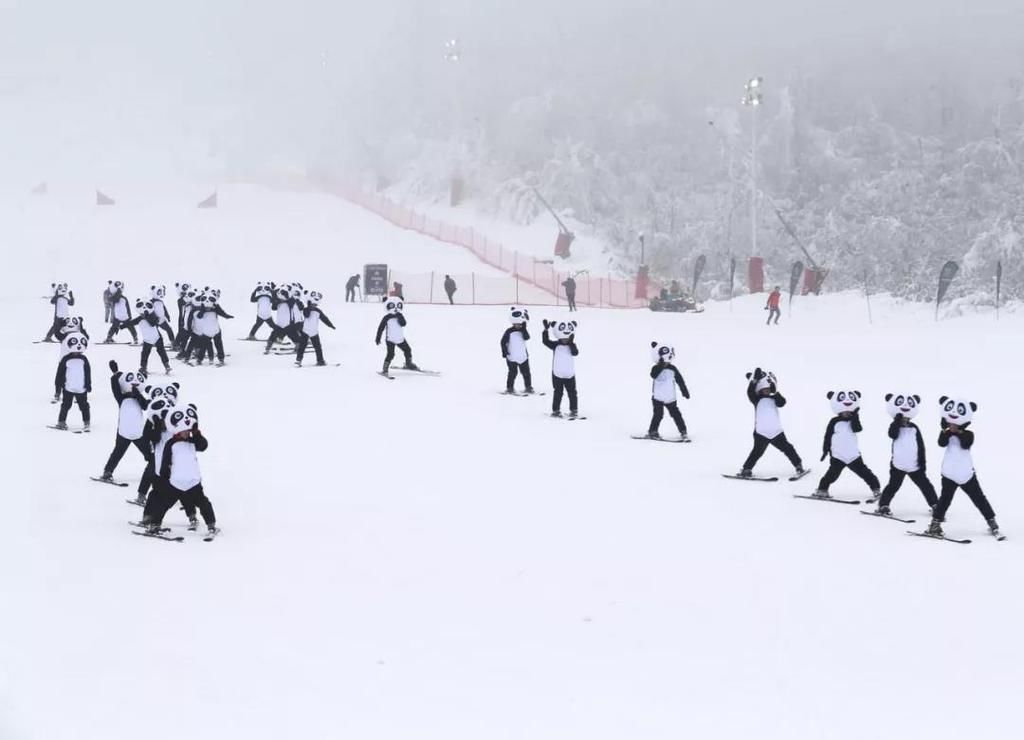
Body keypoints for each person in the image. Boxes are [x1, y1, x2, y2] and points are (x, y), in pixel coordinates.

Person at [736, 368, 805, 478]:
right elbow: (750, 392)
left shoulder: (774, 399)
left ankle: (798, 465)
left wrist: (775, 391)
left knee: (788, 448)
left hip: (776, 432)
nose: (767, 390)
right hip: (761, 433)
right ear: (759, 390)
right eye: (764, 389)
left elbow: (782, 402)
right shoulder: (756, 399)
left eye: (769, 388)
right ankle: (746, 469)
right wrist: (754, 382)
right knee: (757, 453)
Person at [646, 342, 690, 440]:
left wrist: (684, 391)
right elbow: (654, 375)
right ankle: (653, 431)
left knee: (676, 415)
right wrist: (661, 365)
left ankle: (683, 432)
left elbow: (680, 380)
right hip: (658, 398)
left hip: (670, 398)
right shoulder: (656, 368)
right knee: (658, 415)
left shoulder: (673, 368)